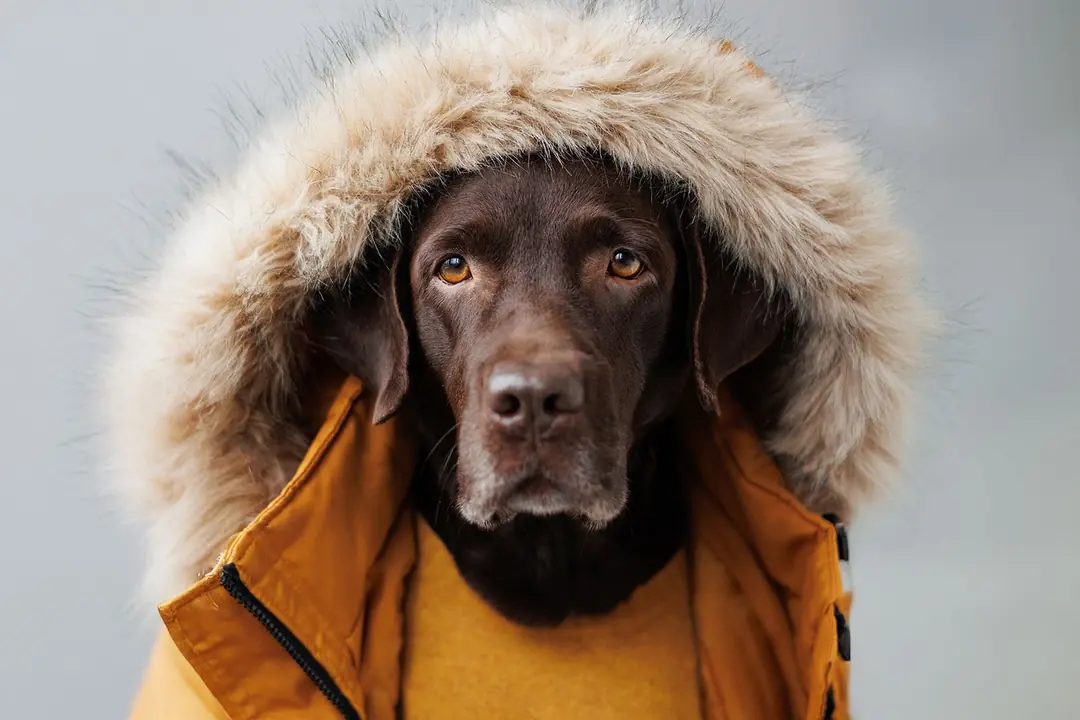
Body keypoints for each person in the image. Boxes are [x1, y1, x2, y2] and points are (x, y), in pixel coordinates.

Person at [111, 4, 928, 719]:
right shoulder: (274, 609)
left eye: (623, 264)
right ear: (387, 329)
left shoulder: (763, 611)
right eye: (456, 270)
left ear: (697, 319)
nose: (530, 379)